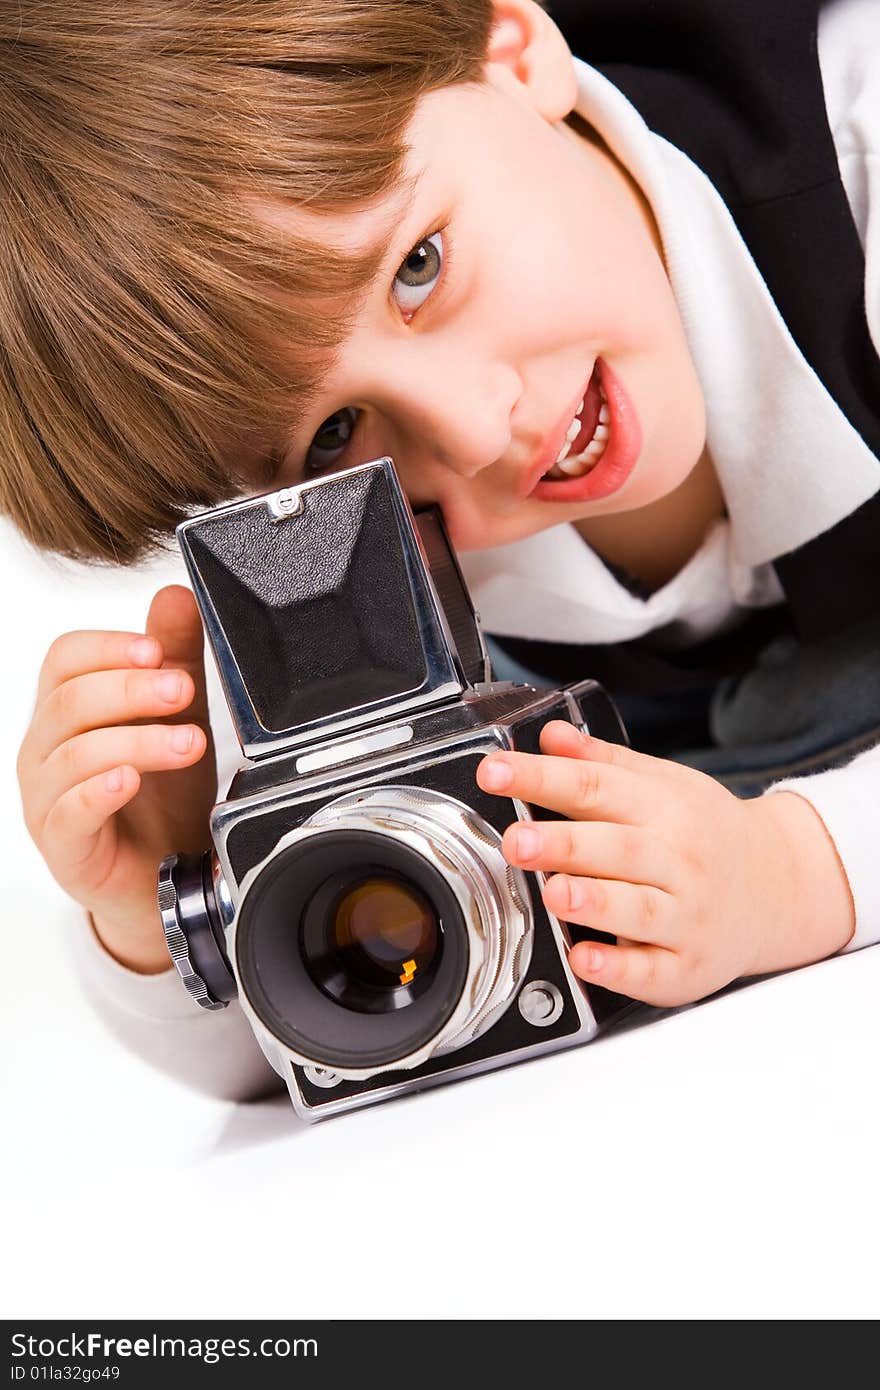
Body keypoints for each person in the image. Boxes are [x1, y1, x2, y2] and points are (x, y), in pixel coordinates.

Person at [8, 0, 880, 1101]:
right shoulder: (349, 569)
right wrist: (169, 902)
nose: (472, 433)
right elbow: (339, 1025)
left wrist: (798, 871)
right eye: (331, 434)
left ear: (512, 46)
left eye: (417, 265)